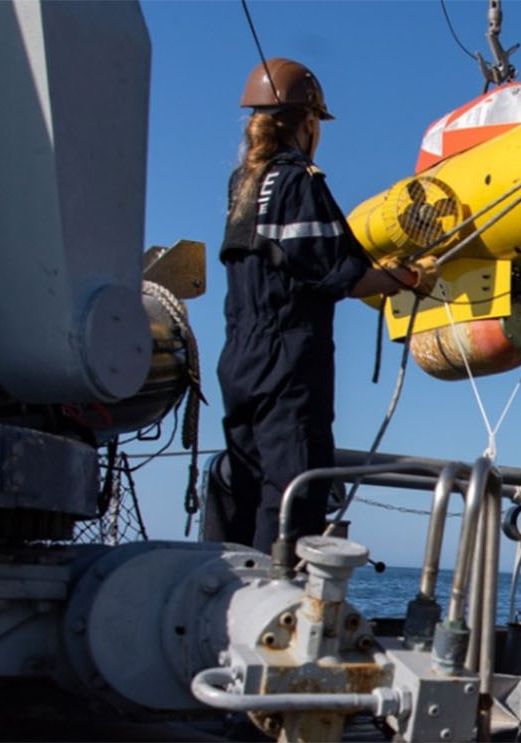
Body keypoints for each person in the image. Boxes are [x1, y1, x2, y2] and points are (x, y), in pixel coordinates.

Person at [208, 58, 438, 553]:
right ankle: (281, 595)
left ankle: (226, 588)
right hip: (288, 357)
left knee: (246, 483)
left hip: (238, 356)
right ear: (309, 123)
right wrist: (411, 277)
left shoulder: (242, 185)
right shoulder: (300, 182)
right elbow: (340, 274)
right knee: (295, 489)